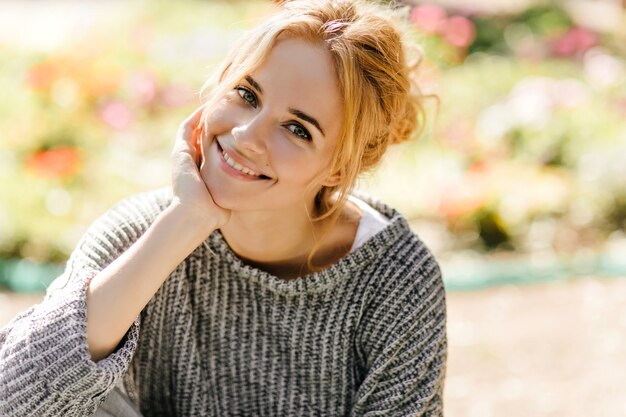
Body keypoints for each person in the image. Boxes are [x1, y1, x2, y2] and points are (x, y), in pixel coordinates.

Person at [0, 0, 447, 416]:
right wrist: (184, 224)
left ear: (338, 167)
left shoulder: (394, 279)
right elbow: (11, 400)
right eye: (247, 95)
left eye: (297, 129)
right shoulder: (134, 234)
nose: (246, 136)